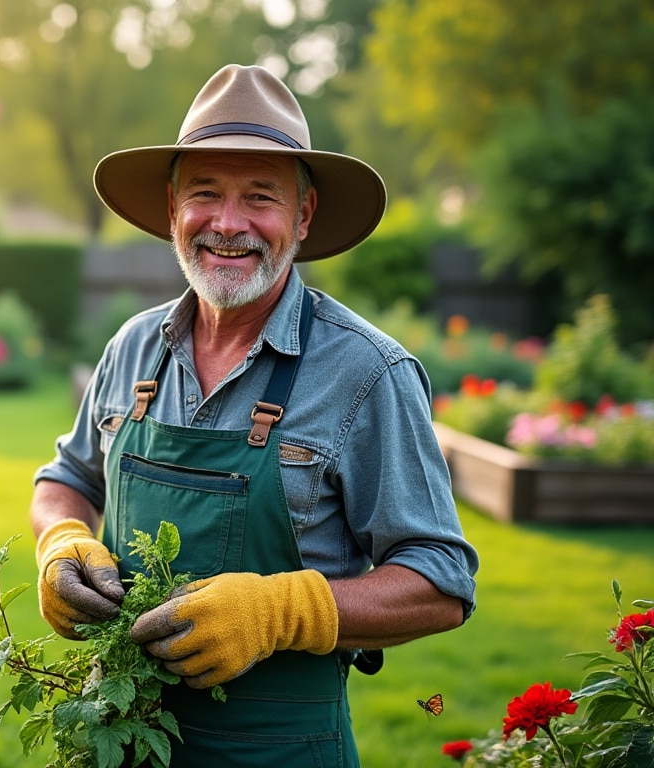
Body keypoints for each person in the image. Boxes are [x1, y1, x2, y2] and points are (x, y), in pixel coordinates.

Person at [30, 64, 479, 767]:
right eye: (205, 193)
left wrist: (281, 612)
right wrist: (59, 540)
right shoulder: (133, 346)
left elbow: (441, 582)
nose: (228, 224)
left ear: (303, 216)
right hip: (119, 738)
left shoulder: (367, 372)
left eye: (260, 198)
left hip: (281, 750)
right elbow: (68, 478)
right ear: (174, 206)